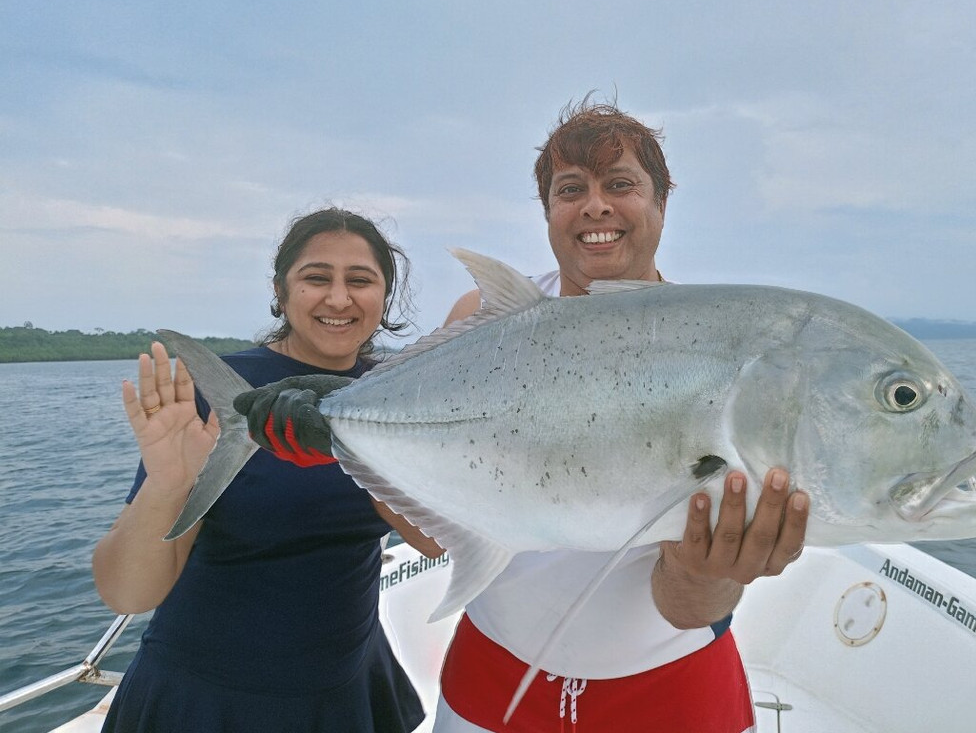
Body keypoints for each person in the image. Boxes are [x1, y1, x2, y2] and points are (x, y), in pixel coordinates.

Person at [430, 99, 810, 733]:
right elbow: (426, 528)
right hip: (492, 681)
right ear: (548, 212)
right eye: (570, 189)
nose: (596, 206)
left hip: (670, 694)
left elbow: (686, 606)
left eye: (621, 185)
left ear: (662, 203)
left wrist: (708, 569)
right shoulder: (482, 320)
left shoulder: (707, 351)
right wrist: (331, 439)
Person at [92, 207, 436, 733]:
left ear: (383, 296)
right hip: (206, 700)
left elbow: (437, 542)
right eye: (316, 278)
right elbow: (128, 595)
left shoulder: (399, 393)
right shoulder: (217, 392)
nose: (339, 298)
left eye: (360, 280)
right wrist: (167, 484)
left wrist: (380, 458)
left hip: (345, 691)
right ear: (280, 290)